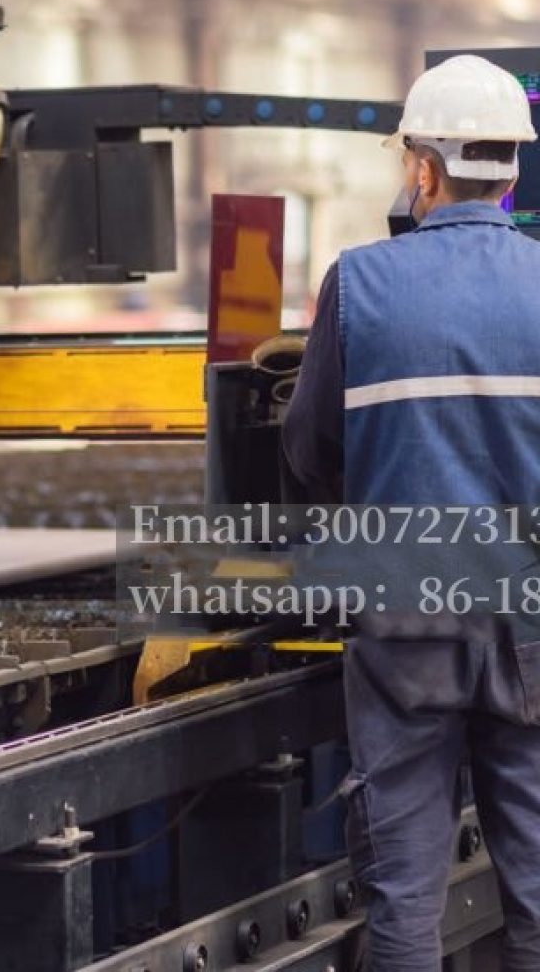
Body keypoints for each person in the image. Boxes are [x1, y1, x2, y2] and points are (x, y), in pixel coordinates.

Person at [282, 53, 540, 972]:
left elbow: (310, 453)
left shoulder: (359, 285)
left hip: (403, 622)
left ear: (423, 169)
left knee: (404, 892)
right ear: (510, 170)